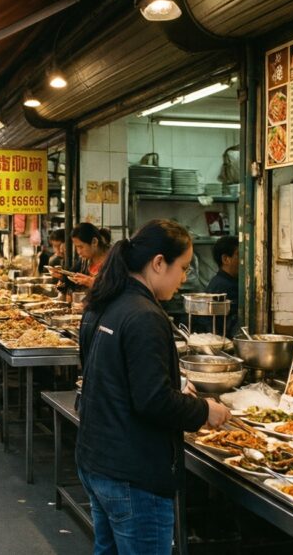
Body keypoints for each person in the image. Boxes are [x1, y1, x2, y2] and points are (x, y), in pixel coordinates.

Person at [76, 219, 230, 553]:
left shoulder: (104, 301)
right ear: (158, 263)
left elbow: (104, 374)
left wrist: (174, 390)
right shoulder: (145, 315)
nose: (185, 278)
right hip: (133, 473)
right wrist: (205, 409)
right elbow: (153, 401)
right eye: (183, 267)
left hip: (96, 459)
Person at [193, 236, 241, 337]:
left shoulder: (225, 282)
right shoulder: (224, 287)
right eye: (239, 255)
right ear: (225, 259)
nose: (243, 261)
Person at [59, 223, 111, 289]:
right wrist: (61, 276)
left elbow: (116, 289)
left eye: (81, 247)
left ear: (94, 242)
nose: (78, 252)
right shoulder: (85, 260)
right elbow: (72, 275)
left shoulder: (113, 261)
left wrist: (93, 284)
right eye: (77, 247)